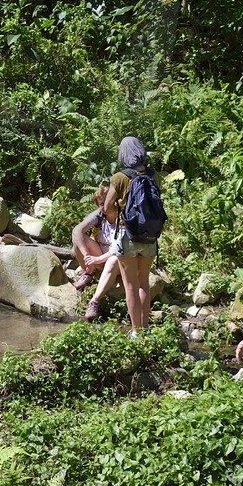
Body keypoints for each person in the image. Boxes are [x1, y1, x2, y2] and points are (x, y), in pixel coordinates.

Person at [101, 136, 159, 337]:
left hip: (128, 235)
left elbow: (107, 207)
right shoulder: (153, 175)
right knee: (144, 282)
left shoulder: (119, 177)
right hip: (150, 237)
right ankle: (146, 328)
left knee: (131, 286)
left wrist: (119, 207)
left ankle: (136, 332)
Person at [70, 182, 126, 322]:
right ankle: (89, 273)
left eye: (107, 202)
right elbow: (77, 231)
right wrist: (87, 256)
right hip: (98, 255)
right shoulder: (100, 215)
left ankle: (94, 301)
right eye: (101, 203)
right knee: (78, 241)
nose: (104, 206)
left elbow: (120, 247)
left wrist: (98, 260)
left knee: (113, 260)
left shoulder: (124, 217)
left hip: (119, 259)